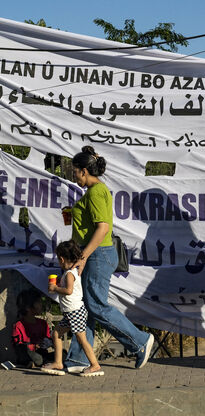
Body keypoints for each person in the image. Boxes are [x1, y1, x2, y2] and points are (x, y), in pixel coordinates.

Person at [63, 146, 153, 373]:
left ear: (84, 171)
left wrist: (82, 257)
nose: (74, 176)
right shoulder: (92, 193)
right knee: (86, 307)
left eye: (75, 172)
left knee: (95, 305)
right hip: (94, 254)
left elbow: (102, 228)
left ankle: (139, 341)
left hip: (98, 255)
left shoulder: (96, 192)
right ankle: (79, 359)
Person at [41, 240, 103, 376]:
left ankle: (95, 365)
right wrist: (59, 284)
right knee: (56, 334)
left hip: (75, 312)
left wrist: (55, 288)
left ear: (62, 259)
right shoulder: (70, 273)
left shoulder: (69, 274)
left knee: (82, 339)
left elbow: (68, 291)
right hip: (71, 313)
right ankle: (58, 363)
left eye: (58, 258)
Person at [12, 289, 52, 368]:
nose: (41, 305)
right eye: (39, 302)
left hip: (41, 353)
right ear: (28, 308)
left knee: (63, 353)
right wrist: (33, 345)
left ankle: (39, 362)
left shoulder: (43, 323)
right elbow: (18, 346)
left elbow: (48, 338)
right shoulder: (18, 325)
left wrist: (48, 342)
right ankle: (39, 362)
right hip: (28, 355)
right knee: (30, 354)